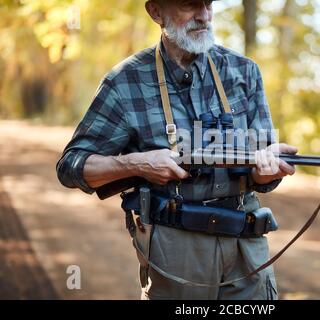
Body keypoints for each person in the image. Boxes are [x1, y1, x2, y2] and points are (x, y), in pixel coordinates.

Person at [56, 0, 298, 300]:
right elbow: (71, 166)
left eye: (208, 4)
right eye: (189, 5)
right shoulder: (125, 82)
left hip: (246, 251)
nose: (204, 15)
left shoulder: (244, 72)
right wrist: (136, 164)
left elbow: (264, 175)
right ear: (156, 12)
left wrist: (267, 171)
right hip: (174, 254)